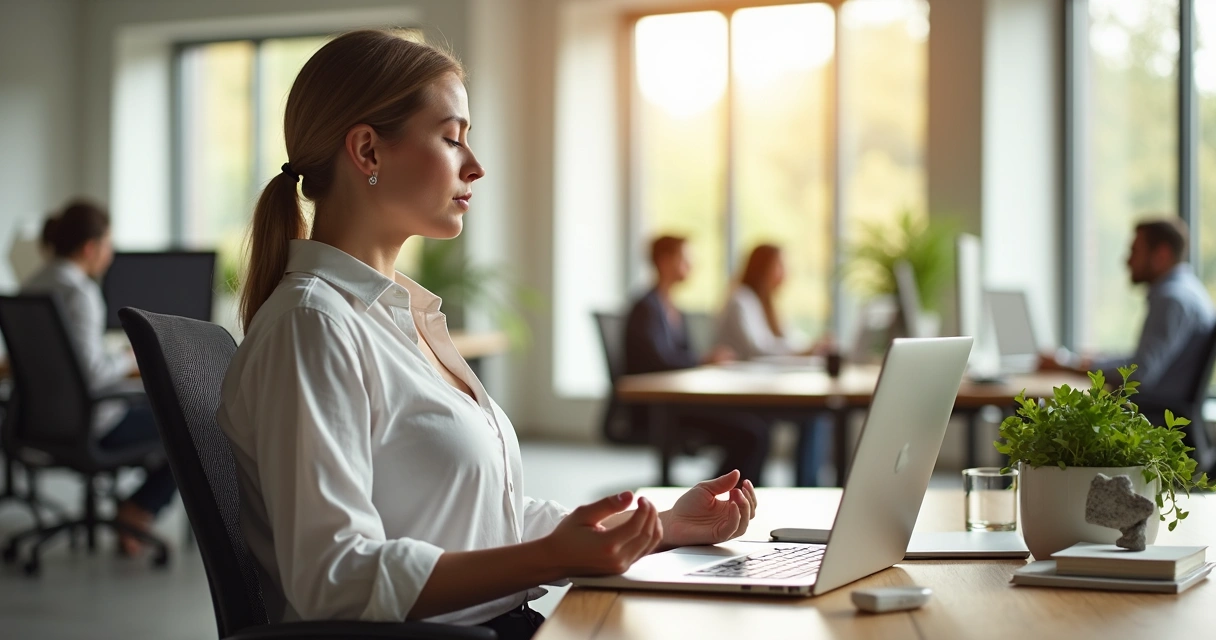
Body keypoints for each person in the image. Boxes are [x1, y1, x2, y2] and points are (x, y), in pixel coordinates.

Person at [217, 31, 758, 639]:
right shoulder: (313, 326)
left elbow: (478, 520)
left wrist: (661, 524)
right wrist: (554, 558)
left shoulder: (397, 319)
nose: (475, 165)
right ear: (368, 151)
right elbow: (333, 578)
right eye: (451, 139)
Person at [20, 200, 177, 555]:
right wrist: (126, 359)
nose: (111, 252)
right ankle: (139, 508)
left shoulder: (34, 285)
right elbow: (91, 375)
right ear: (91, 247)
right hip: (91, 423)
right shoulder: (80, 293)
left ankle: (134, 508)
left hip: (42, 425)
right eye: (109, 243)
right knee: (192, 420)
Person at [624, 235, 770, 484]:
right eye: (684, 259)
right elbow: (658, 363)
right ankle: (716, 496)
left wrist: (706, 361)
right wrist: (704, 361)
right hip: (658, 407)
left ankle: (717, 494)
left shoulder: (672, 307)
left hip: (679, 401)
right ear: (663, 261)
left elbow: (679, 357)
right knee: (752, 433)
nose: (690, 265)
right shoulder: (646, 307)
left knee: (756, 425)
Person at [1041, 218, 1215, 394]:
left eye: (1135, 251)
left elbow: (1140, 373)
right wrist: (1092, 361)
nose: (1127, 261)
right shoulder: (1190, 290)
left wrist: (1068, 366)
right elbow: (1143, 360)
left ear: (1162, 255)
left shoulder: (1172, 299)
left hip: (1150, 415)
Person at [714, 244, 832, 486]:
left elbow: (788, 339)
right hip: (738, 395)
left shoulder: (768, 304)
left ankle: (807, 485)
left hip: (759, 388)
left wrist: (812, 346)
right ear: (762, 268)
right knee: (811, 415)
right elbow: (759, 349)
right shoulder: (741, 300)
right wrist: (804, 350)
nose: (785, 273)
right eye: (779, 266)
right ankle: (807, 486)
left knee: (816, 413)